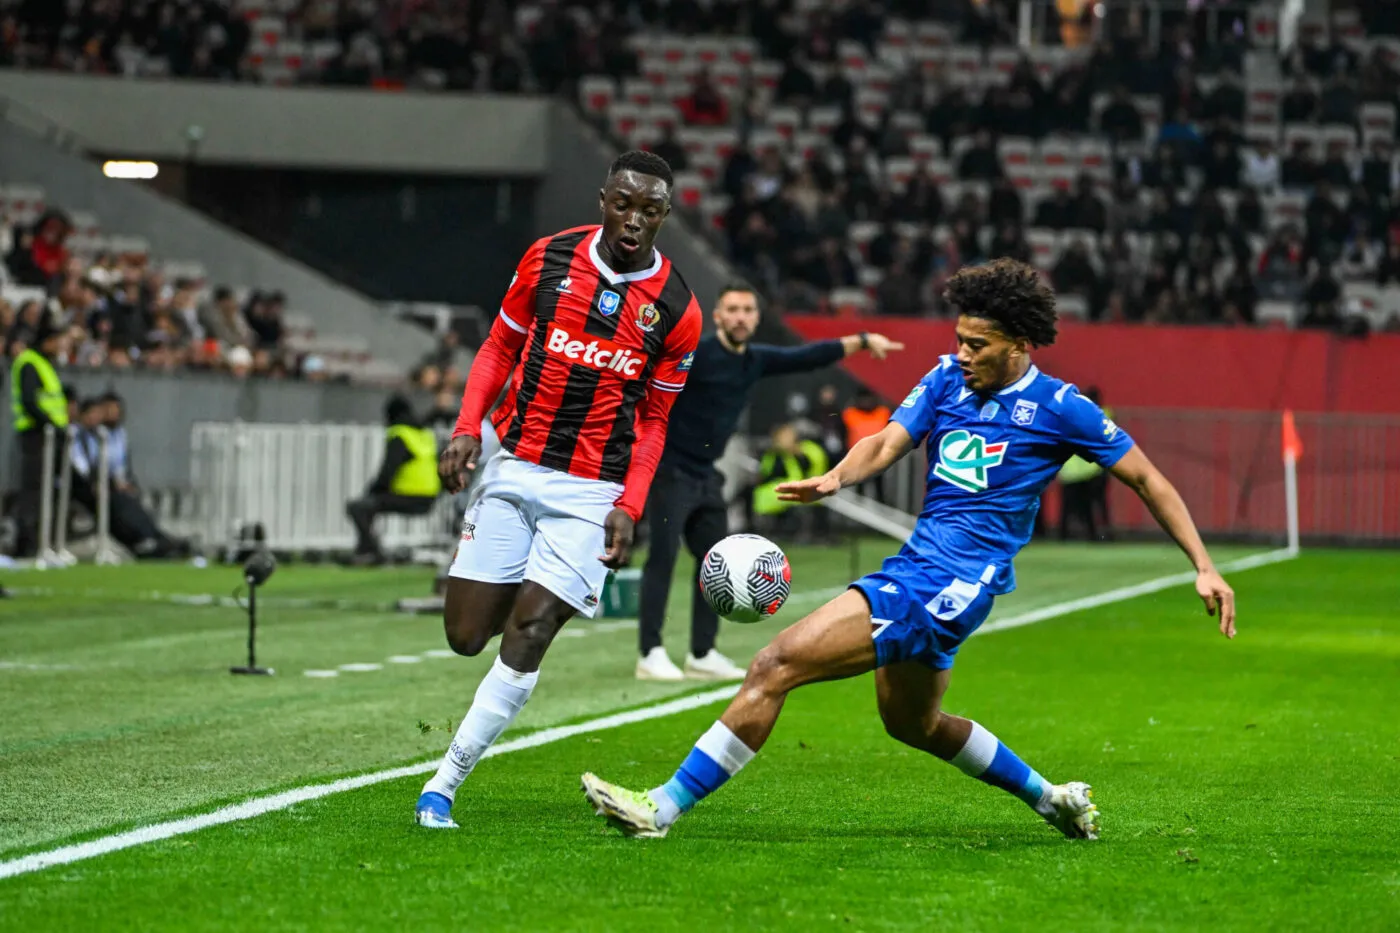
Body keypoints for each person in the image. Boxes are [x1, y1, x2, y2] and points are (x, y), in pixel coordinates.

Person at [581, 258, 1237, 841]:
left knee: (774, 662)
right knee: (913, 724)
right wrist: (839, 474)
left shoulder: (1062, 408)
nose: (963, 351)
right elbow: (892, 439)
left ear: (1019, 343)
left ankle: (660, 808)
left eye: (978, 344)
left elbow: (1148, 478)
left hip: (953, 584)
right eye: (958, 338)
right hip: (919, 568)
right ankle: (1052, 798)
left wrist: (1204, 566)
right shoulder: (947, 378)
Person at [415, 151, 704, 830]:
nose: (634, 220)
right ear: (604, 197)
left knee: (533, 627)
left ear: (665, 215)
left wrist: (629, 504)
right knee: (464, 635)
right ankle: (529, 584)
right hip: (514, 466)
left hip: (592, 489)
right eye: (624, 203)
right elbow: (498, 348)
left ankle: (443, 783)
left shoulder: (678, 309)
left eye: (651, 210)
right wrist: (467, 427)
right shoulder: (547, 258)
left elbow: (657, 418)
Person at [636, 283, 904, 682]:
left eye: (748, 309)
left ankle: (702, 652)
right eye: (733, 309)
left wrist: (863, 339)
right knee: (662, 558)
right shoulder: (700, 354)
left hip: (707, 475)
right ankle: (650, 653)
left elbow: (807, 356)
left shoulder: (754, 359)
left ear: (756, 318)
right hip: (669, 468)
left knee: (715, 565)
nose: (741, 316)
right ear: (718, 316)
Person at [345, 395, 443, 564]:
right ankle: (366, 550)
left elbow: (388, 470)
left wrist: (371, 491)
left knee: (358, 507)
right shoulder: (425, 434)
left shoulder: (400, 434)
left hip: (408, 494)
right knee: (368, 506)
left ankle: (371, 552)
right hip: (430, 496)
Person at [9, 311, 69, 557]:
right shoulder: (30, 363)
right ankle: (27, 544)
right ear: (48, 341)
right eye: (59, 340)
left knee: (48, 491)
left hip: (50, 436)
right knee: (34, 491)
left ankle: (46, 543)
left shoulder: (43, 363)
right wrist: (51, 424)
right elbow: (30, 401)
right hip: (36, 436)